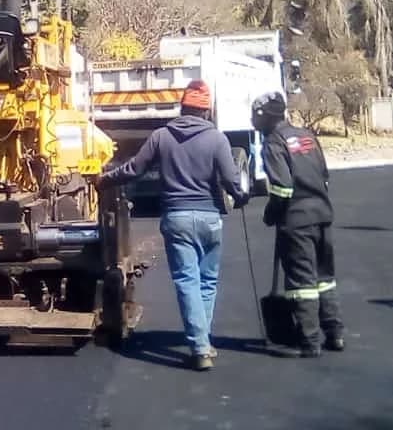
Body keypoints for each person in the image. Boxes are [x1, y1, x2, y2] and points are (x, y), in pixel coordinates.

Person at [98, 80, 247, 371]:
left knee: (187, 281)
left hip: (177, 218)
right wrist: (241, 196)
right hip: (209, 218)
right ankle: (202, 341)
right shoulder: (217, 139)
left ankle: (200, 345)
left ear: (182, 107)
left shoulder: (161, 137)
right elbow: (231, 180)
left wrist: (105, 179)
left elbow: (134, 168)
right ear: (206, 111)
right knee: (207, 282)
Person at [251, 91, 344, 357]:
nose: (252, 121)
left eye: (254, 116)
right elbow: (324, 176)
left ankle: (309, 340)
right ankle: (334, 333)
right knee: (325, 278)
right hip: (323, 214)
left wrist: (271, 214)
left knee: (303, 283)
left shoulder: (273, 142)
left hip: (297, 221)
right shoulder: (307, 136)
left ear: (264, 117)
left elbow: (282, 187)